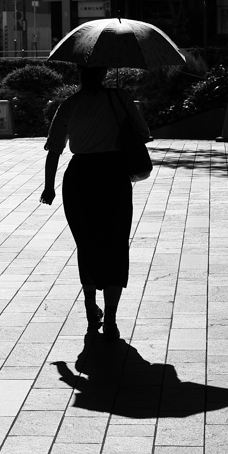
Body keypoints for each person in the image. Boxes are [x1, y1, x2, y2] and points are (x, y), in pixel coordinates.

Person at [40, 65, 150, 339]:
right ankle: (110, 317)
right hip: (113, 176)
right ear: (101, 75)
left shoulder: (69, 105)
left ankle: (91, 307)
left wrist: (49, 187)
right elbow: (143, 132)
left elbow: (54, 149)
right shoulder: (120, 97)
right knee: (116, 243)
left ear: (79, 76)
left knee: (87, 243)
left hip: (80, 178)